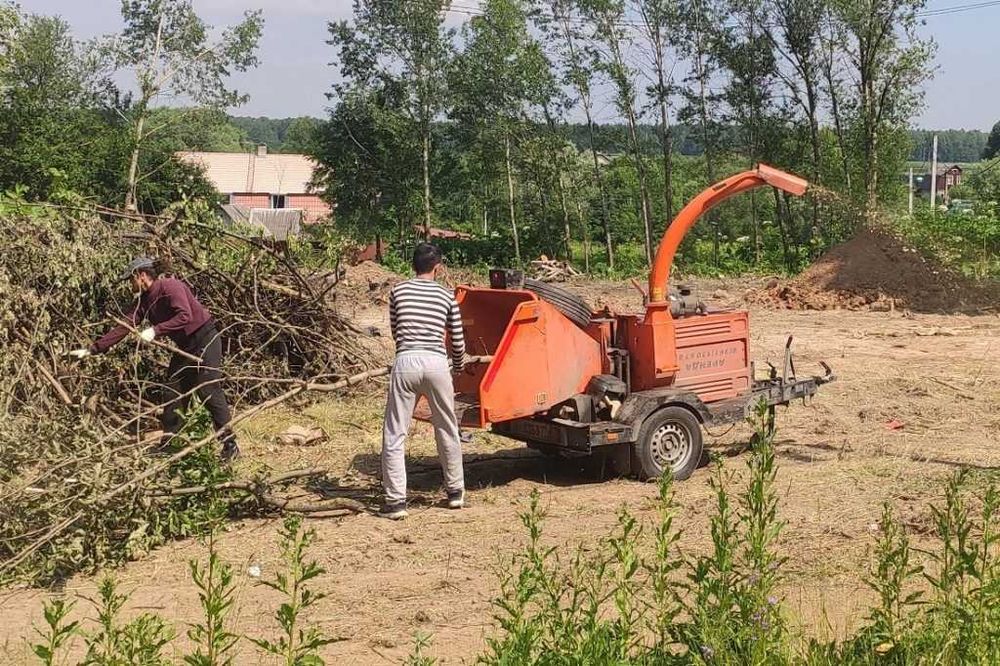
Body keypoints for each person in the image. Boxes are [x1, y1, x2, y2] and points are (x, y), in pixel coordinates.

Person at [69, 257, 239, 461]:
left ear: (141, 276)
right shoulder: (143, 301)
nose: (130, 285)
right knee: (172, 390)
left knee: (207, 388)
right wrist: (92, 349)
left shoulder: (170, 286)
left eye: (131, 280)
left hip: (206, 338)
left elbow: (184, 316)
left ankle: (230, 445)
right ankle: (169, 443)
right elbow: (125, 326)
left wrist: (155, 330)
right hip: (185, 347)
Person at [379, 243, 467, 519]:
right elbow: (456, 338)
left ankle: (396, 502)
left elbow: (395, 329)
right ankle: (455, 493)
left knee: (395, 433)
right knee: (447, 428)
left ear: (412, 265)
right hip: (437, 363)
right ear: (437, 267)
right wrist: (459, 365)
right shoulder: (446, 295)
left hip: (406, 360)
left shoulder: (398, 290)